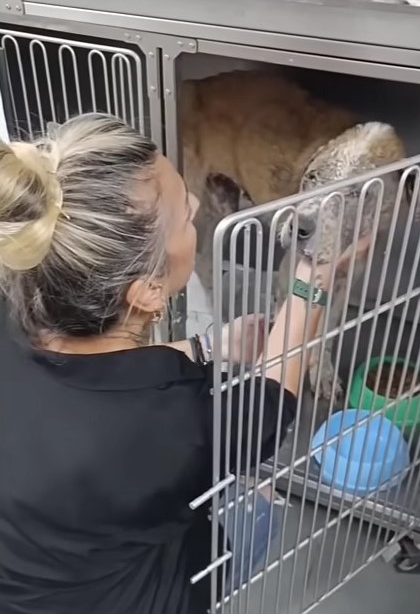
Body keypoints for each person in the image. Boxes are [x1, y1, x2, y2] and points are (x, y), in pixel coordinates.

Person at [0, 114, 341, 614]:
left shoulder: (15, 307)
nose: (199, 204)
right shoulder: (165, 423)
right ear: (149, 291)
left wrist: (207, 348)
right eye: (185, 215)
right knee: (259, 503)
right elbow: (267, 410)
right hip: (131, 600)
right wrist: (316, 274)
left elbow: (96, 378)